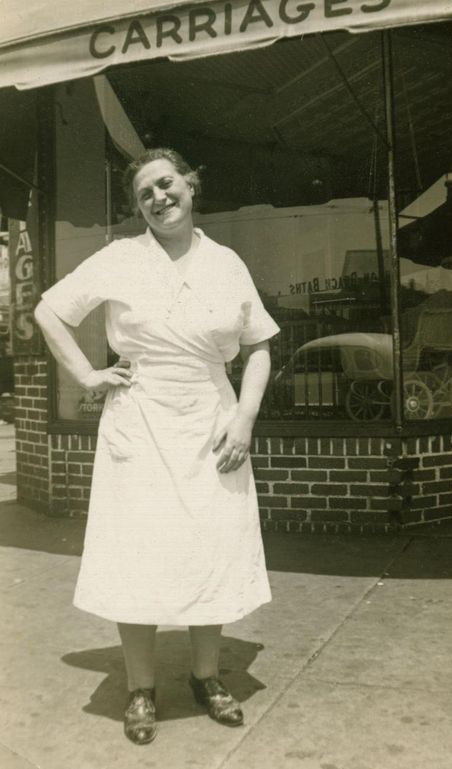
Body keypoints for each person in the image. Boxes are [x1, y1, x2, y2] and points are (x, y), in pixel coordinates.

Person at [34, 147, 280, 745]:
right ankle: (141, 687)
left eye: (166, 185)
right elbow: (48, 310)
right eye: (145, 193)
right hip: (139, 423)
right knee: (137, 552)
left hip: (212, 420)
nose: (158, 198)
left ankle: (205, 676)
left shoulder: (226, 263)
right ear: (138, 207)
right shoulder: (121, 258)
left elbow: (260, 346)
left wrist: (245, 415)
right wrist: (88, 375)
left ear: (191, 187)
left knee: (211, 546)